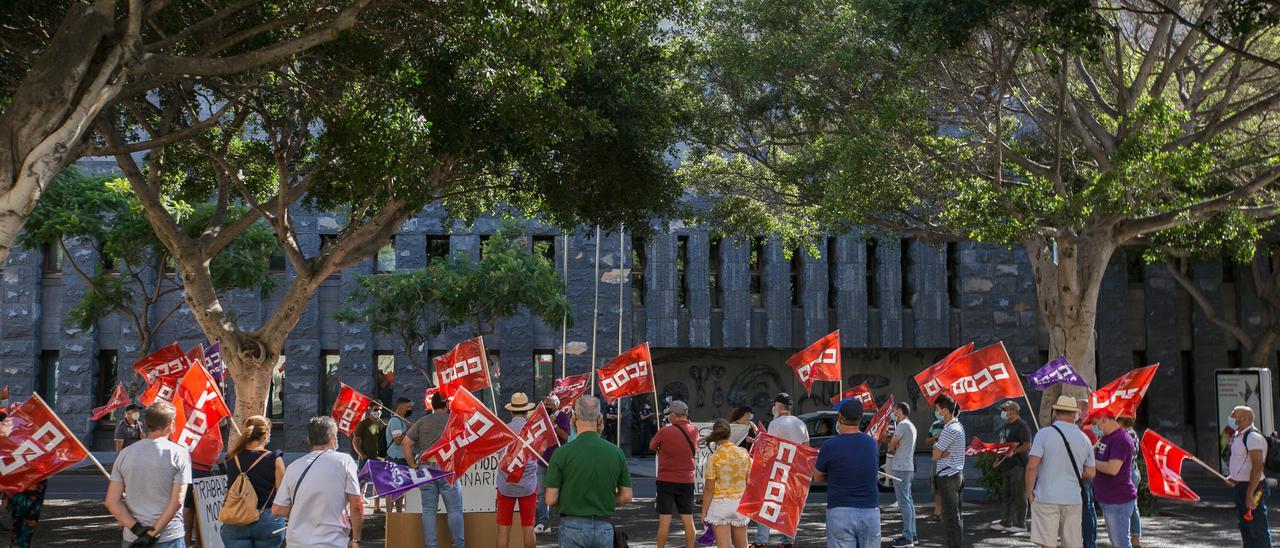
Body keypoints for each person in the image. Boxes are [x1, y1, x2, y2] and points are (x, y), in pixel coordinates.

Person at [545, 395, 633, 547]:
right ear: (599, 418)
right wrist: (607, 502)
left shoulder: (561, 453)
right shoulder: (616, 452)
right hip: (603, 525)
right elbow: (626, 496)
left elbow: (550, 499)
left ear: (574, 418)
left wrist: (570, 500)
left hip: (571, 526)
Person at [104, 401, 192, 548]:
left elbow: (111, 502)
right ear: (170, 424)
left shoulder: (125, 454)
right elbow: (176, 501)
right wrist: (151, 534)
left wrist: (137, 529)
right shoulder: (179, 454)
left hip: (133, 538)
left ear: (146, 422)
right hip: (168, 537)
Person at [272, 416, 362, 548]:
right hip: (332, 541)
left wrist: (303, 509)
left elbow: (278, 509)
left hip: (296, 542)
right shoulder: (344, 461)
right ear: (333, 438)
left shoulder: (293, 467)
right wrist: (356, 539)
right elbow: (356, 505)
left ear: (309, 439)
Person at [1025, 395, 1097, 548]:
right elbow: (1091, 473)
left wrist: (1029, 492)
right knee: (1072, 544)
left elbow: (1032, 466)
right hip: (1073, 498)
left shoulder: (1043, 434)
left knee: (1048, 543)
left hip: (1046, 497)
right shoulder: (1084, 439)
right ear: (1074, 415)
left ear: (1055, 412)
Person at [815, 400, 881, 547]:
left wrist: (833, 474)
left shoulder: (829, 445)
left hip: (840, 512)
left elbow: (817, 477)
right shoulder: (871, 443)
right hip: (870, 511)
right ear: (860, 418)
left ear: (840, 417)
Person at [404, 391, 464, 548]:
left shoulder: (422, 421)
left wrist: (412, 465)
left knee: (428, 511)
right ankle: (458, 545)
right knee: (454, 510)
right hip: (448, 468)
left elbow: (406, 443)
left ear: (432, 405)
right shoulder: (453, 421)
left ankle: (431, 546)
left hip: (426, 469)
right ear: (447, 405)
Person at [220, 415, 287, 547]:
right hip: (267, 518)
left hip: (235, 517)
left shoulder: (232, 457)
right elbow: (282, 494)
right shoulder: (275, 459)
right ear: (265, 434)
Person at [753, 392, 808, 548]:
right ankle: (788, 541)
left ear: (778, 406)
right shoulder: (800, 423)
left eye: (774, 405)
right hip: (795, 472)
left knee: (768, 504)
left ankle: (762, 541)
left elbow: (770, 448)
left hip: (777, 470)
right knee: (791, 507)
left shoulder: (775, 424)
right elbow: (806, 448)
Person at [650, 400, 700, 548]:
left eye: (669, 414)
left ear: (673, 414)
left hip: (666, 480)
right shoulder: (694, 430)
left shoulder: (665, 431)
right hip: (686, 480)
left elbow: (652, 445)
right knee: (688, 519)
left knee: (665, 520)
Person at [701, 419, 751, 548]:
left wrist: (704, 511)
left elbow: (709, 488)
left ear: (715, 437)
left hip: (720, 505)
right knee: (742, 545)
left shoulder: (714, 457)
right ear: (729, 434)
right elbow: (750, 480)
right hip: (740, 503)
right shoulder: (743, 453)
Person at [498, 393, 539, 548]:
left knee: (504, 528)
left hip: (505, 484)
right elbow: (537, 455)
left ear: (511, 411)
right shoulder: (534, 431)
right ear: (526, 411)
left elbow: (499, 457)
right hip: (528, 485)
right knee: (528, 527)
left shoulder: (504, 430)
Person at [1226, 405, 1271, 547]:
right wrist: (1235, 477)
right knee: (1246, 527)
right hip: (1242, 486)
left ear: (1244, 419)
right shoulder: (1239, 435)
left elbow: (1257, 466)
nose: (1231, 418)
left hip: (1254, 487)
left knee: (1257, 528)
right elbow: (1242, 462)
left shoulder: (1252, 437)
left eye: (1234, 414)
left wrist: (1250, 492)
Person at [1092, 411, 1137, 548]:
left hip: (1118, 499)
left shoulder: (1120, 439)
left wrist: (1091, 462)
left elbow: (1113, 468)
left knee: (1121, 543)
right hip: (1110, 499)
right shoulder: (1107, 437)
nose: (1096, 426)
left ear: (1104, 419)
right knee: (1117, 542)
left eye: (1097, 422)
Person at [991, 400, 1033, 534]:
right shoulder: (1005, 426)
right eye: (1004, 410)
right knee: (1006, 495)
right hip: (1006, 466)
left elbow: (1027, 445)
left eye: (1007, 410)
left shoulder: (1022, 425)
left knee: (1019, 496)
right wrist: (998, 459)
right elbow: (1002, 445)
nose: (1005, 412)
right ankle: (1005, 522)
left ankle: (1020, 524)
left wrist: (1014, 451)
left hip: (1018, 465)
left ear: (1015, 411)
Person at [932, 394, 966, 548]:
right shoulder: (957, 426)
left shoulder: (949, 429)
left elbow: (935, 454)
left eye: (937, 408)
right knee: (955, 515)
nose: (936, 411)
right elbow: (939, 453)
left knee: (951, 517)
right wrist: (940, 451)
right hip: (955, 474)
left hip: (948, 476)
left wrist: (939, 450)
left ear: (945, 410)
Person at [536, 395, 571, 533]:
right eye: (545, 404)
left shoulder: (562, 416)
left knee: (561, 492)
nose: (547, 407)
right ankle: (544, 522)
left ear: (557, 405)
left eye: (549, 404)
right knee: (542, 493)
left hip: (557, 461)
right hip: (542, 460)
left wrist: (554, 424)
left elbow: (565, 436)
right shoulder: (541, 417)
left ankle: (565, 521)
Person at [887, 401, 918, 547]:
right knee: (909, 501)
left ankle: (907, 537)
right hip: (908, 467)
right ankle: (913, 533)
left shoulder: (902, 425)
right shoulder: (911, 425)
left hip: (901, 467)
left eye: (894, 411)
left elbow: (893, 443)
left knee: (904, 503)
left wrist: (890, 444)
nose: (893, 414)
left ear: (900, 411)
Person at [353, 401, 387, 514]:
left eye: (380, 409)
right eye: (376, 409)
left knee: (378, 483)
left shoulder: (382, 424)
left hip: (379, 458)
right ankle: (357, 506)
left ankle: (376, 508)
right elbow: (355, 441)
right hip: (365, 458)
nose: (378, 412)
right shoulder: (363, 424)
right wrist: (362, 455)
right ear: (370, 410)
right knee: (361, 482)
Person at [1116, 416, 1142, 548]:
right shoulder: (1134, 433)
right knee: (1133, 506)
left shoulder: (1124, 435)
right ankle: (1135, 537)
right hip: (1134, 471)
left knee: (1125, 507)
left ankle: (1125, 537)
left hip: (1128, 472)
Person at [385, 397, 413, 512]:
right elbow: (398, 440)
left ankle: (398, 515)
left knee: (400, 489)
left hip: (400, 458)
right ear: (400, 407)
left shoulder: (400, 421)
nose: (409, 409)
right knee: (392, 489)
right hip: (395, 459)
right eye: (408, 407)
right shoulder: (396, 421)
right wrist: (409, 430)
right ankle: (390, 517)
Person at [1077, 399, 1099, 548]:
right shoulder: (1088, 427)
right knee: (1089, 507)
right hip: (1087, 471)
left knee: (1086, 508)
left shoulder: (1085, 429)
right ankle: (1091, 541)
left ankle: (1089, 542)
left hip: (1084, 472)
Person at [7, 480, 47, 548]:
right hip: (24, 487)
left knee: (22, 526)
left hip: (27, 487)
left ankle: (17, 544)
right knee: (22, 526)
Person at [925, 416, 944, 522]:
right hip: (935, 459)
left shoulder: (953, 425)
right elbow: (927, 441)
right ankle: (937, 513)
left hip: (947, 461)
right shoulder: (935, 424)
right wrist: (935, 437)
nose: (938, 412)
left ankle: (947, 513)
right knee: (936, 487)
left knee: (948, 487)